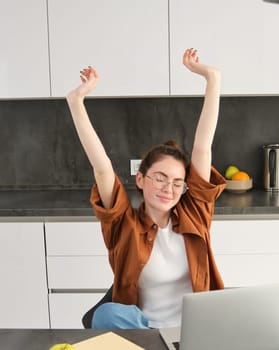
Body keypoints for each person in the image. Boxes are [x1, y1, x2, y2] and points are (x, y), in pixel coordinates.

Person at [66, 48, 226, 329]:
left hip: (196, 332)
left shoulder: (195, 214)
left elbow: (203, 147)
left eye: (177, 182)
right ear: (140, 179)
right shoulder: (123, 225)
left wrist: (212, 79)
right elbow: (102, 166)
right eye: (160, 178)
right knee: (106, 315)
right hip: (144, 334)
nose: (169, 188)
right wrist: (76, 101)